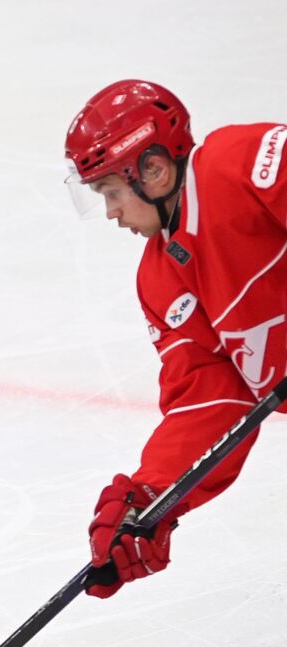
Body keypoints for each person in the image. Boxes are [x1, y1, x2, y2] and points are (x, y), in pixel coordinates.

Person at [64, 80, 286, 597]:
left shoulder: (240, 162)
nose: (112, 213)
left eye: (111, 192)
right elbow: (210, 396)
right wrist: (149, 500)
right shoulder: (161, 280)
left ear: (155, 170)